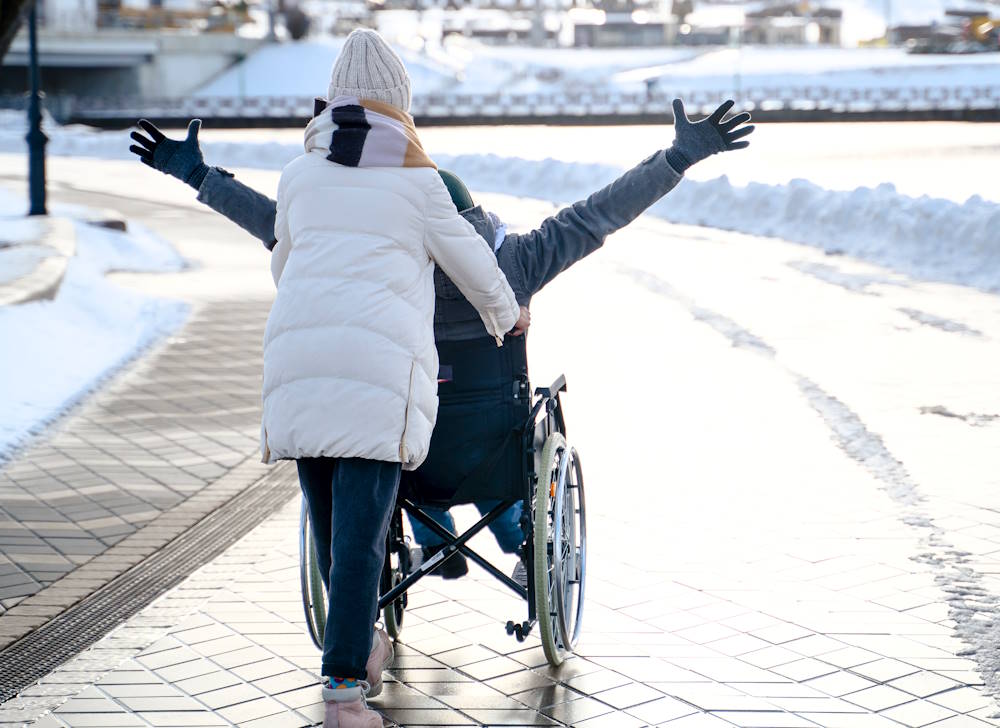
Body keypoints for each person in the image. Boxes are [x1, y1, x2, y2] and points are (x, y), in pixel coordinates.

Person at [131, 98, 754, 584]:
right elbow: (597, 215)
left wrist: (198, 176)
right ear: (477, 220)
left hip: (398, 445)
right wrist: (675, 159)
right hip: (486, 444)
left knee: (412, 441)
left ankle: (430, 538)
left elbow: (272, 223)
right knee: (500, 448)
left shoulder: (377, 263)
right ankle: (514, 541)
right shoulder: (516, 263)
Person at [136, 29, 526, 728]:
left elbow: (285, 264)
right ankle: (345, 692)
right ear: (399, 106)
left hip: (297, 367)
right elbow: (477, 271)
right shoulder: (419, 179)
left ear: (333, 103)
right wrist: (508, 317)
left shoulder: (300, 173)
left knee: (330, 530)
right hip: (376, 377)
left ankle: (363, 645)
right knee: (359, 542)